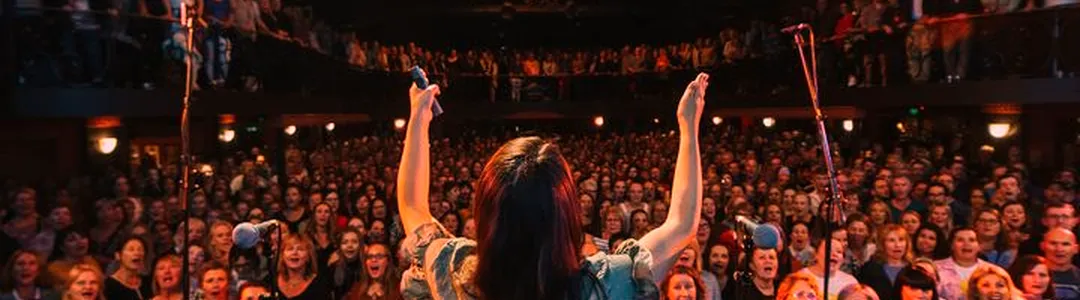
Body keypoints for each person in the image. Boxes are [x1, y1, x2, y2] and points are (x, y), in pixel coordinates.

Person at [394, 72, 709, 298]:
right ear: (566, 214)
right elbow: (681, 225)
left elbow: (412, 206)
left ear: (487, 214)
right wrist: (688, 127)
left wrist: (419, 117)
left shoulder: (453, 273)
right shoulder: (604, 284)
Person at [935, 227, 991, 300]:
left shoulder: (990, 270)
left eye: (972, 240)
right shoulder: (936, 268)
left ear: (979, 246)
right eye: (960, 240)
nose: (967, 244)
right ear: (951, 245)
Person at [857, 225, 911, 296]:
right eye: (891, 240)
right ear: (882, 244)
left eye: (901, 240)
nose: (897, 245)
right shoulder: (870, 269)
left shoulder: (913, 269)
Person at [275, 234, 330, 299]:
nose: (294, 252)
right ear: (282, 256)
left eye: (300, 249)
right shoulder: (271, 280)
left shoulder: (320, 284)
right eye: (290, 249)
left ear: (308, 256)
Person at [1041, 228, 1080, 300]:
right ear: (1042, 246)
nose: (1059, 249)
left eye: (1065, 244)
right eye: (1053, 243)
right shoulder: (1027, 276)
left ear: (1076, 249)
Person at [327, 228, 364, 299]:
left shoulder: (366, 266)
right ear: (340, 247)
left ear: (360, 245)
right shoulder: (333, 267)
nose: (349, 245)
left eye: (354, 242)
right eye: (344, 242)